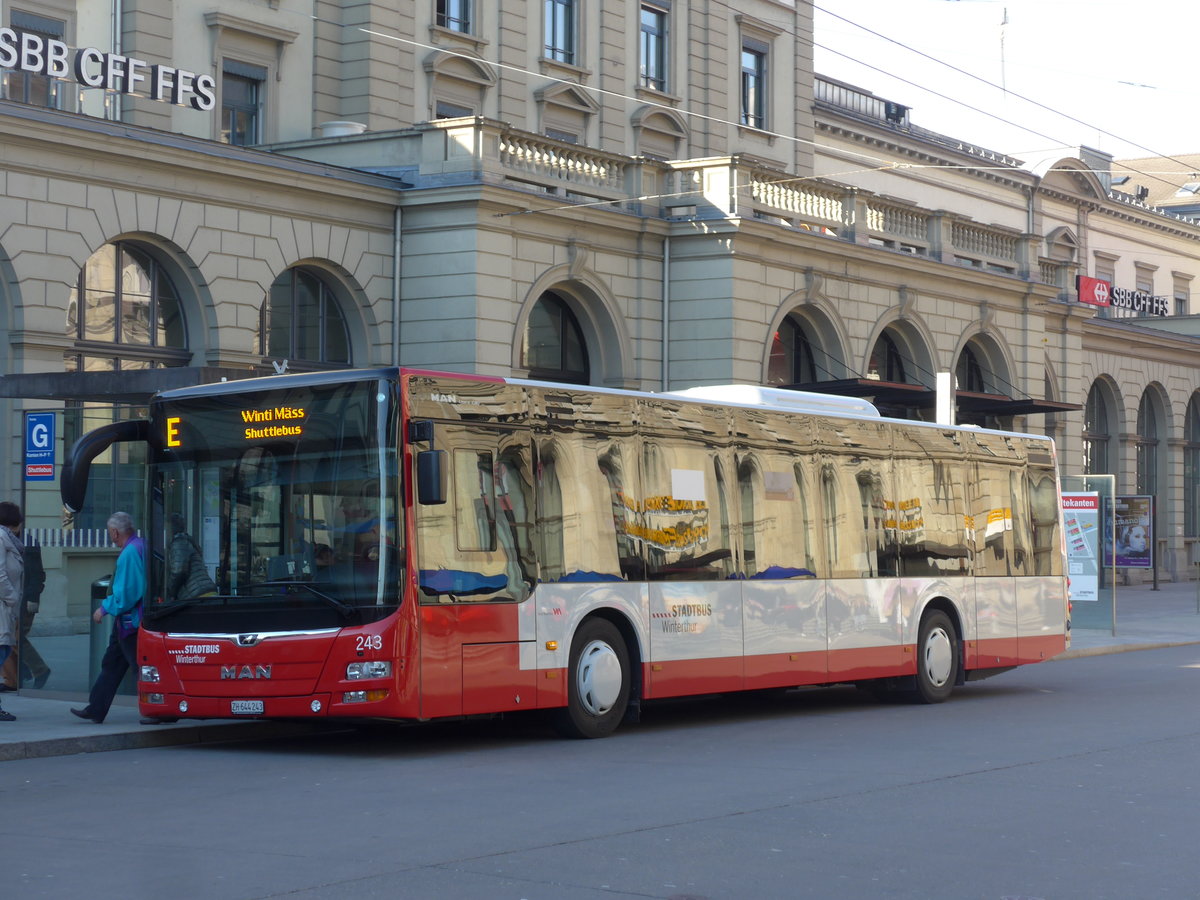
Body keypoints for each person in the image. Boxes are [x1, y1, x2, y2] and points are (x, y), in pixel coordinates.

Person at [71, 512, 146, 724]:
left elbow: (127, 593)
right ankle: (96, 708)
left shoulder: (130, 553)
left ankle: (160, 710)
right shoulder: (141, 545)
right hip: (128, 622)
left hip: (131, 621)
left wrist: (103, 609)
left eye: (109, 531)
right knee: (112, 663)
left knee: (139, 667)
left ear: (115, 532)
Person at [0, 501, 24, 721]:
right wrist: (12, 598)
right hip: (2, 606)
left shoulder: (7, 539)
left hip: (6, 607)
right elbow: (0, 575)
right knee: (2, 651)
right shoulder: (1, 538)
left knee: (5, 650)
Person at [167, 514, 217, 603]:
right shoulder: (187, 541)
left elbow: (179, 571)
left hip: (197, 594)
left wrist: (171, 592)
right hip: (205, 591)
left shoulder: (179, 543)